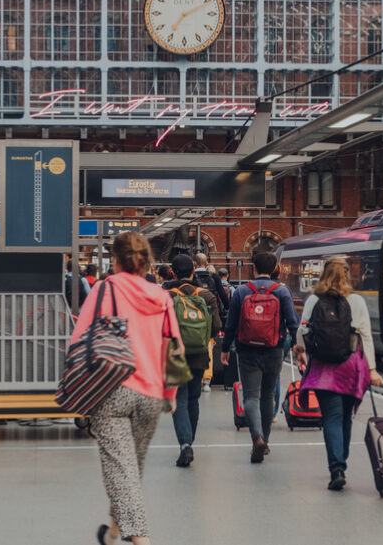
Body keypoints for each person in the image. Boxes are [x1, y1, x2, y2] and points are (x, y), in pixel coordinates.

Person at [69, 231, 181, 545]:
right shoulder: (160, 296)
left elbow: (79, 340)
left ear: (115, 260)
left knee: (121, 470)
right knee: (131, 468)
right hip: (151, 394)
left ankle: (141, 540)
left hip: (111, 390)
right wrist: (168, 394)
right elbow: (173, 347)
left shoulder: (104, 290)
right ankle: (114, 530)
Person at [294, 257, 383, 490]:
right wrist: (372, 369)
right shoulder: (356, 301)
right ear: (348, 275)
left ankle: (336, 468)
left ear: (323, 274)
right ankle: (342, 460)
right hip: (351, 365)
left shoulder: (314, 299)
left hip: (324, 367)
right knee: (346, 416)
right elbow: (366, 336)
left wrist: (301, 352)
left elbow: (302, 330)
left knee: (331, 418)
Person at [220, 252, 299, 463]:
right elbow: (293, 324)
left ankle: (256, 438)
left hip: (247, 349)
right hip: (274, 350)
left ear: (253, 268)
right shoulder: (282, 292)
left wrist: (225, 347)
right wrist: (298, 349)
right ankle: (265, 440)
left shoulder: (242, 291)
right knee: (268, 395)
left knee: (251, 397)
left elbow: (231, 324)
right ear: (275, 269)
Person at [165, 254, 222, 467]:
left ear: (173, 272)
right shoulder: (206, 295)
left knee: (178, 398)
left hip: (174, 353)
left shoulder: (166, 295)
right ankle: (190, 441)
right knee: (193, 399)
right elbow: (216, 327)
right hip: (199, 354)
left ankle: (185, 444)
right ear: (193, 270)